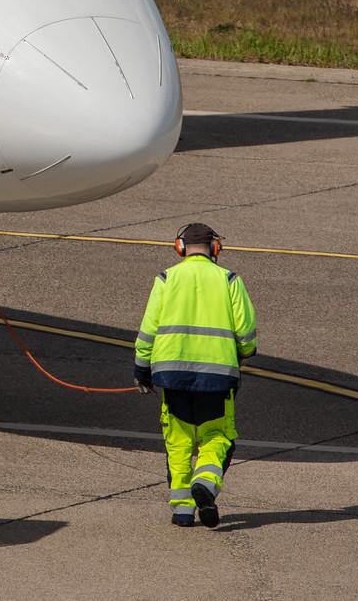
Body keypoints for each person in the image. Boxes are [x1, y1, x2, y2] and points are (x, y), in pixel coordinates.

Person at [133, 222, 258, 528]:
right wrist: (243, 352)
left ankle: (183, 510)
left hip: (171, 376)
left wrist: (141, 369)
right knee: (218, 436)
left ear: (180, 247)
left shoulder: (166, 278)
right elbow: (247, 333)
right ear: (215, 248)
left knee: (178, 441)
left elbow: (148, 329)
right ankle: (205, 482)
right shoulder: (229, 279)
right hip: (217, 377)